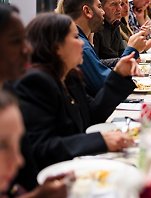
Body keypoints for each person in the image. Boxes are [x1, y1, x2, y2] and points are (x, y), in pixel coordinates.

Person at [15, 13, 140, 170]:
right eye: (75, 37)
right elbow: (42, 147)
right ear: (56, 47)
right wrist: (100, 141)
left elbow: (92, 116)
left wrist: (119, 75)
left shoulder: (70, 76)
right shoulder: (35, 82)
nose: (82, 43)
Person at [0, 4, 68, 197]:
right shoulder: (29, 83)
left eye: (25, 40)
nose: (26, 49)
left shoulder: (10, 90)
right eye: (15, 41)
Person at [63, 0, 146, 95]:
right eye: (99, 7)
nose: (102, 12)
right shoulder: (81, 46)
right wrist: (131, 50)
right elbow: (106, 87)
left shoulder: (84, 40)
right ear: (87, 11)